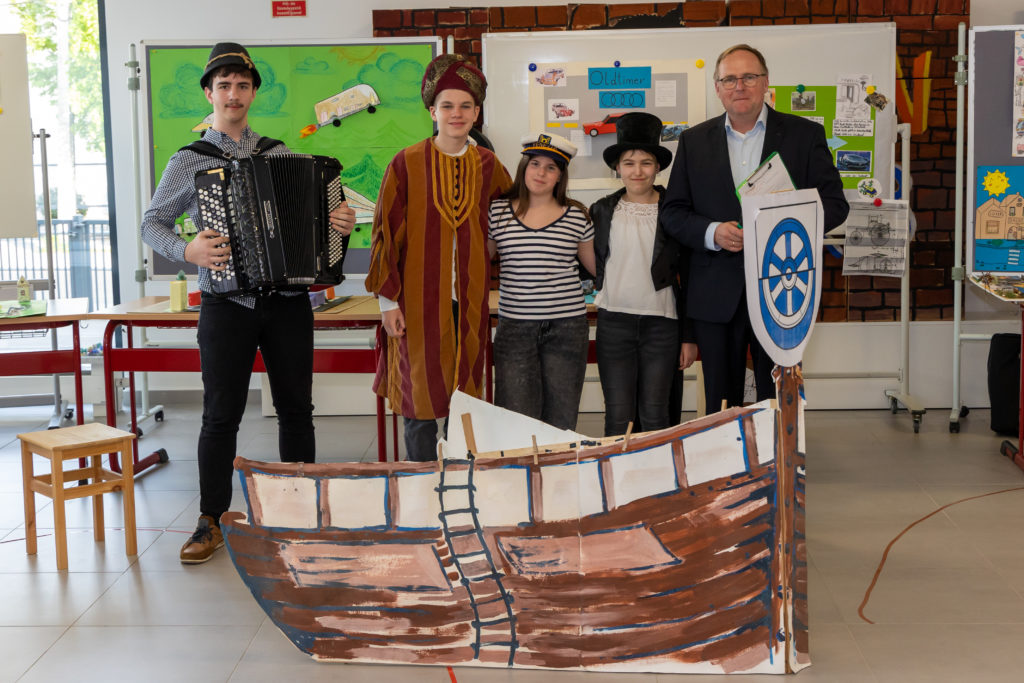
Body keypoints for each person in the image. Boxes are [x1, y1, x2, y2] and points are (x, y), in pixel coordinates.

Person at [141, 43, 356, 563]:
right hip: (225, 304)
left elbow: (323, 221)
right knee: (221, 416)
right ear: (209, 93)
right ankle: (210, 519)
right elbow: (152, 223)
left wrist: (341, 223)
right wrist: (187, 250)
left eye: (242, 85)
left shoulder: (281, 154)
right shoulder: (189, 160)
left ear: (253, 92)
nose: (233, 94)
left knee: (296, 410)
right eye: (224, 85)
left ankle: (299, 513)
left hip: (287, 302)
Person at [662, 44, 849, 411]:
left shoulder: (804, 135)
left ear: (766, 82)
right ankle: (728, 451)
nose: (739, 86)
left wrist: (781, 227)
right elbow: (673, 213)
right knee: (721, 403)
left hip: (783, 290)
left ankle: (777, 450)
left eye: (749, 77)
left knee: (778, 399)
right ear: (717, 88)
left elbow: (835, 205)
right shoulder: (693, 141)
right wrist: (713, 232)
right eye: (730, 79)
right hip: (715, 293)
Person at [366, 54, 512, 461]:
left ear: (477, 113)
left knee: (465, 398)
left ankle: (461, 481)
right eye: (447, 105)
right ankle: (420, 482)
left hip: (469, 301)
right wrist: (388, 303)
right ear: (432, 111)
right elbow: (386, 233)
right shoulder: (407, 162)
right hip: (416, 301)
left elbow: (509, 222)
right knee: (420, 398)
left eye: (466, 106)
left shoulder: (489, 165)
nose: (456, 113)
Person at [589, 112, 697, 436]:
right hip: (614, 323)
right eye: (629, 163)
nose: (637, 171)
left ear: (658, 167)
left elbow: (689, 275)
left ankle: (656, 469)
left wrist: (689, 336)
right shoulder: (602, 210)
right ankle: (617, 469)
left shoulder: (674, 211)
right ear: (617, 168)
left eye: (646, 163)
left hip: (662, 325)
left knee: (655, 414)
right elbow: (593, 261)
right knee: (618, 414)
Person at [488, 133, 595, 430]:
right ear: (524, 167)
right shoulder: (498, 211)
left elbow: (597, 268)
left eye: (551, 167)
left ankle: (558, 463)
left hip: (567, 327)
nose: (541, 173)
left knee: (561, 416)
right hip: (515, 326)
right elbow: (477, 261)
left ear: (561, 175)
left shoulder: (577, 215)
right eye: (535, 164)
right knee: (515, 417)